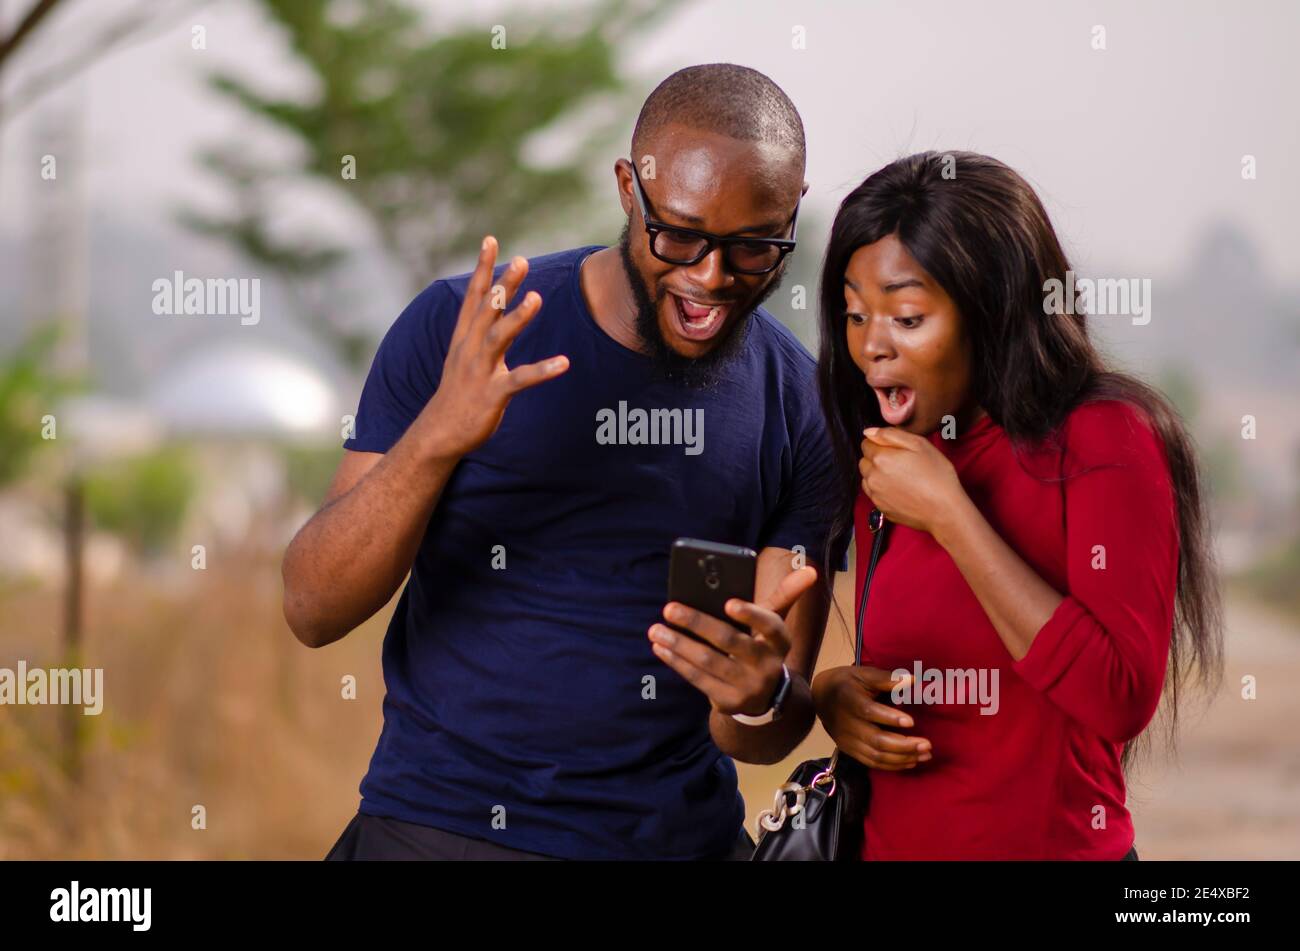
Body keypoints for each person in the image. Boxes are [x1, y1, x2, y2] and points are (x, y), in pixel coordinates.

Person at [281, 64, 847, 861]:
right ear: (628, 188)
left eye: (754, 248)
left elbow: (768, 724)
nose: (710, 278)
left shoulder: (802, 409)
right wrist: (437, 435)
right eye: (678, 234)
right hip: (438, 833)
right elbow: (312, 606)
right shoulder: (462, 329)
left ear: (791, 215)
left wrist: (761, 696)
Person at [810, 151, 1224, 860]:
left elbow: (1119, 695)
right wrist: (834, 697)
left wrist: (953, 517)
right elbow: (910, 668)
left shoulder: (1103, 437)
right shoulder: (887, 457)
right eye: (854, 314)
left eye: (906, 316)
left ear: (991, 310)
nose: (870, 345)